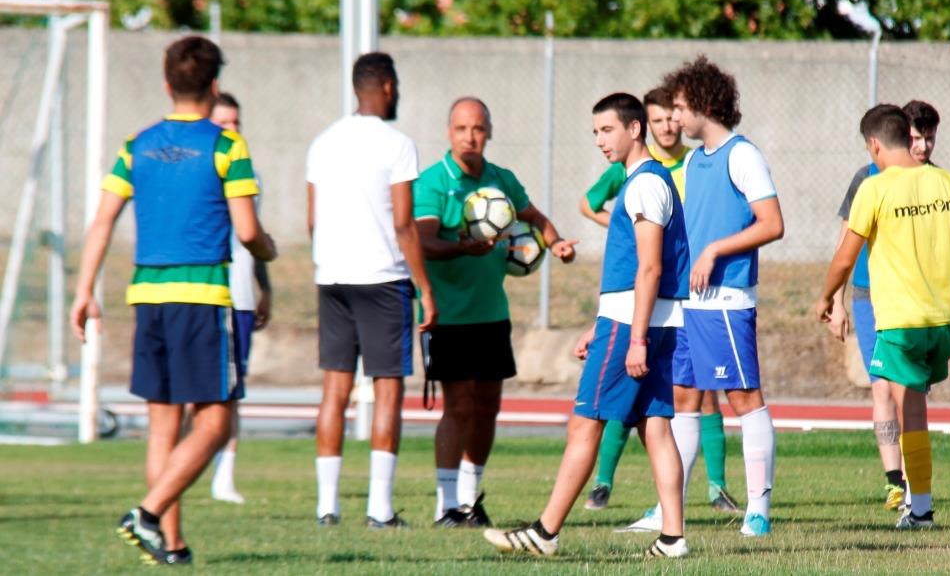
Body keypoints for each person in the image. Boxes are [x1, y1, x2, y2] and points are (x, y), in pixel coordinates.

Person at [70, 36, 277, 566]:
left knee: (164, 425)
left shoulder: (135, 146)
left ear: (167, 83)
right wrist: (266, 249)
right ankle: (147, 512)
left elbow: (102, 220)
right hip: (202, 297)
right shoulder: (227, 145)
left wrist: (84, 288)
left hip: (148, 297)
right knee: (214, 423)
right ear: (213, 86)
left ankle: (171, 542)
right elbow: (248, 230)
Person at [483, 93, 690, 559]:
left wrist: (632, 337)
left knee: (584, 425)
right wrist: (603, 326)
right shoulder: (644, 181)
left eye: (607, 130)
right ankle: (673, 537)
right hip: (640, 324)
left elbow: (650, 269)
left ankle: (545, 532)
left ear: (635, 129)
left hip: (635, 328)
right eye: (595, 132)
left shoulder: (643, 185)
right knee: (655, 426)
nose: (599, 141)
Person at [624, 55, 784, 538]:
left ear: (700, 103)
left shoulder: (742, 154)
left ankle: (758, 508)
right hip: (692, 304)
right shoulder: (694, 160)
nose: (673, 118)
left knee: (741, 397)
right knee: (684, 397)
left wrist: (715, 250)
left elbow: (772, 224)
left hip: (727, 300)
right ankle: (667, 510)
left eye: (678, 107)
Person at [815, 104, 950, 529]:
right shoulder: (948, 181)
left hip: (899, 320)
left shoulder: (876, 187)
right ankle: (914, 499)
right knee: (913, 406)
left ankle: (919, 507)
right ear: (909, 137)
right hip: (941, 319)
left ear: (874, 145)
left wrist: (827, 296)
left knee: (905, 407)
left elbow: (845, 255)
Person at [414, 97, 576, 527]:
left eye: (478, 128)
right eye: (462, 128)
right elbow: (423, 241)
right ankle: (446, 505)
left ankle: (470, 499)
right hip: (446, 315)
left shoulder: (501, 179)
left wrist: (554, 242)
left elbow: (534, 217)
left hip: (491, 314)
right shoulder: (433, 182)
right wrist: (463, 248)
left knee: (487, 405)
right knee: (459, 406)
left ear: (489, 131)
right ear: (449, 132)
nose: (470, 137)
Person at [580, 87, 739, 515]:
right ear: (646, 123)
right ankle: (609, 486)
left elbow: (656, 258)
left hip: (674, 293)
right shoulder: (632, 173)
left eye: (673, 117)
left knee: (694, 398)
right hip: (653, 298)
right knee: (649, 415)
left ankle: (715, 487)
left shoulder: (689, 165)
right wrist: (630, 231)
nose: (669, 125)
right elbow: (590, 205)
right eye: (661, 118)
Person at [307, 52, 436, 529]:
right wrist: (424, 289)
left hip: (333, 276)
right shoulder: (397, 144)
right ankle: (379, 509)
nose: (397, 92)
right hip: (382, 277)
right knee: (386, 392)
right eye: (395, 84)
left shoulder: (323, 142)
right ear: (383, 86)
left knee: (334, 390)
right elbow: (404, 223)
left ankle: (327, 506)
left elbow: (313, 219)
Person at [827, 100, 942, 512]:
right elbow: (846, 241)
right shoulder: (867, 178)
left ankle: (917, 483)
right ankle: (896, 481)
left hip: (912, 300)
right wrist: (837, 301)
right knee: (880, 387)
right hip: (868, 295)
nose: (923, 146)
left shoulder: (935, 182)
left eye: (930, 138)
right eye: (916, 138)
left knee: (908, 393)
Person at [206, 92, 273, 505]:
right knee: (188, 391)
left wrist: (267, 288)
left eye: (237, 124)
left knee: (231, 391)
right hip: (200, 294)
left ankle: (224, 477)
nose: (231, 131)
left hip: (240, 298)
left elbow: (251, 237)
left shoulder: (249, 175)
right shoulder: (199, 173)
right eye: (223, 124)